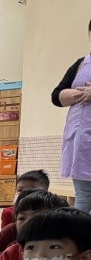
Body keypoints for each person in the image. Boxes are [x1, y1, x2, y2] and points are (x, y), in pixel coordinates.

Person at [54, 20, 91, 212]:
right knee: (83, 195)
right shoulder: (80, 64)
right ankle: (80, 231)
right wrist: (79, 93)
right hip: (82, 141)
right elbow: (56, 96)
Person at [0, 190, 69, 260]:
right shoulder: (11, 254)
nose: (28, 222)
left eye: (37, 217)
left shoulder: (66, 253)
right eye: (22, 218)